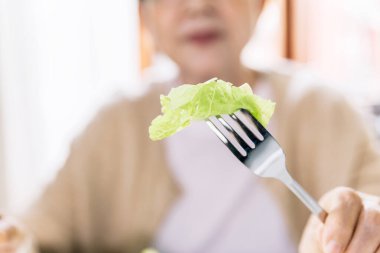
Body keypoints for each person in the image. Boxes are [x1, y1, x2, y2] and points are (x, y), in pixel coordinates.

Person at [1, 0, 380, 252]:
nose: (197, 5)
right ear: (144, 15)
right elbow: (33, 233)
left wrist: (361, 224)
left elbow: (372, 206)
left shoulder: (326, 110)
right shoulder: (111, 126)